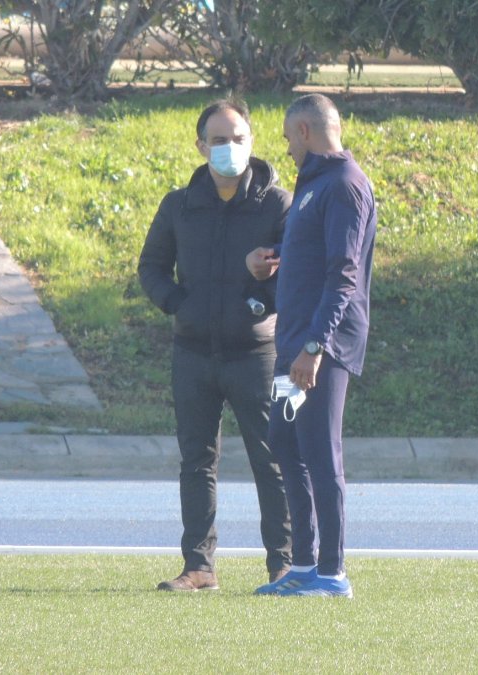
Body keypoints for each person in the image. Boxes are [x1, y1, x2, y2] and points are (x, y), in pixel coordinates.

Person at [139, 99, 293, 592]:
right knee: (196, 462)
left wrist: (257, 302)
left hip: (255, 355)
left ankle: (284, 564)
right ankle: (199, 566)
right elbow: (151, 268)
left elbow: (298, 269)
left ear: (253, 141)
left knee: (270, 460)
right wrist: (177, 303)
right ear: (201, 145)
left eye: (239, 138)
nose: (230, 148)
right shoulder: (178, 204)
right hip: (193, 352)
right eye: (220, 140)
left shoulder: (276, 204)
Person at [245, 93, 376, 598]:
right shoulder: (314, 186)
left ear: (304, 131)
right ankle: (302, 566)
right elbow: (311, 250)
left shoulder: (344, 186)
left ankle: (332, 573)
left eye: (286, 137)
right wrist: (272, 257)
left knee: (321, 451)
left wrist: (317, 346)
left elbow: (343, 275)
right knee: (285, 441)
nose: (287, 148)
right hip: (294, 342)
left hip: (321, 348)